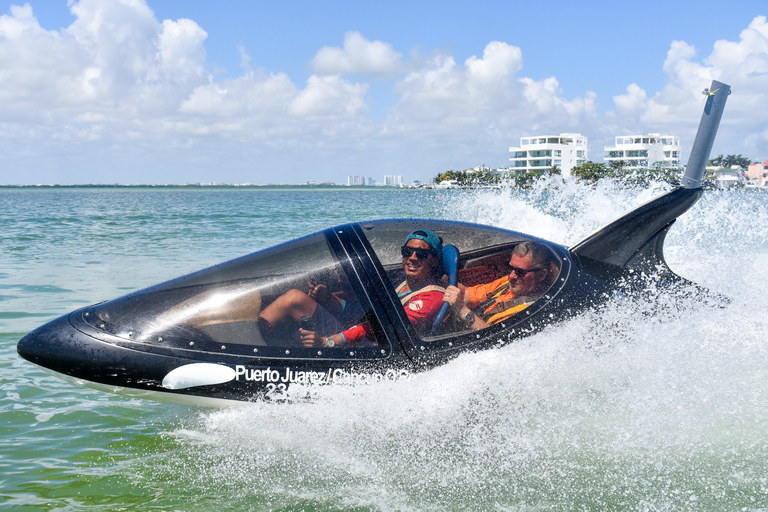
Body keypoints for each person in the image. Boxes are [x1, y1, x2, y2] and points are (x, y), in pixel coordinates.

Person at [258, 229, 446, 348]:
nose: (412, 258)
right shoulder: (400, 281)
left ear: (435, 259)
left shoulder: (432, 297)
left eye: (421, 254)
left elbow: (385, 328)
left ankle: (255, 351)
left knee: (294, 299)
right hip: (353, 333)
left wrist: (328, 341)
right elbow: (367, 313)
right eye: (407, 252)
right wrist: (328, 300)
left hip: (367, 348)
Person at [443, 241, 553, 331]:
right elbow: (467, 295)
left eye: (520, 272)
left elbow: (490, 337)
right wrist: (443, 280)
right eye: (510, 269)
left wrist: (462, 310)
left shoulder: (533, 309)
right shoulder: (509, 282)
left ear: (541, 275)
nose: (511, 276)